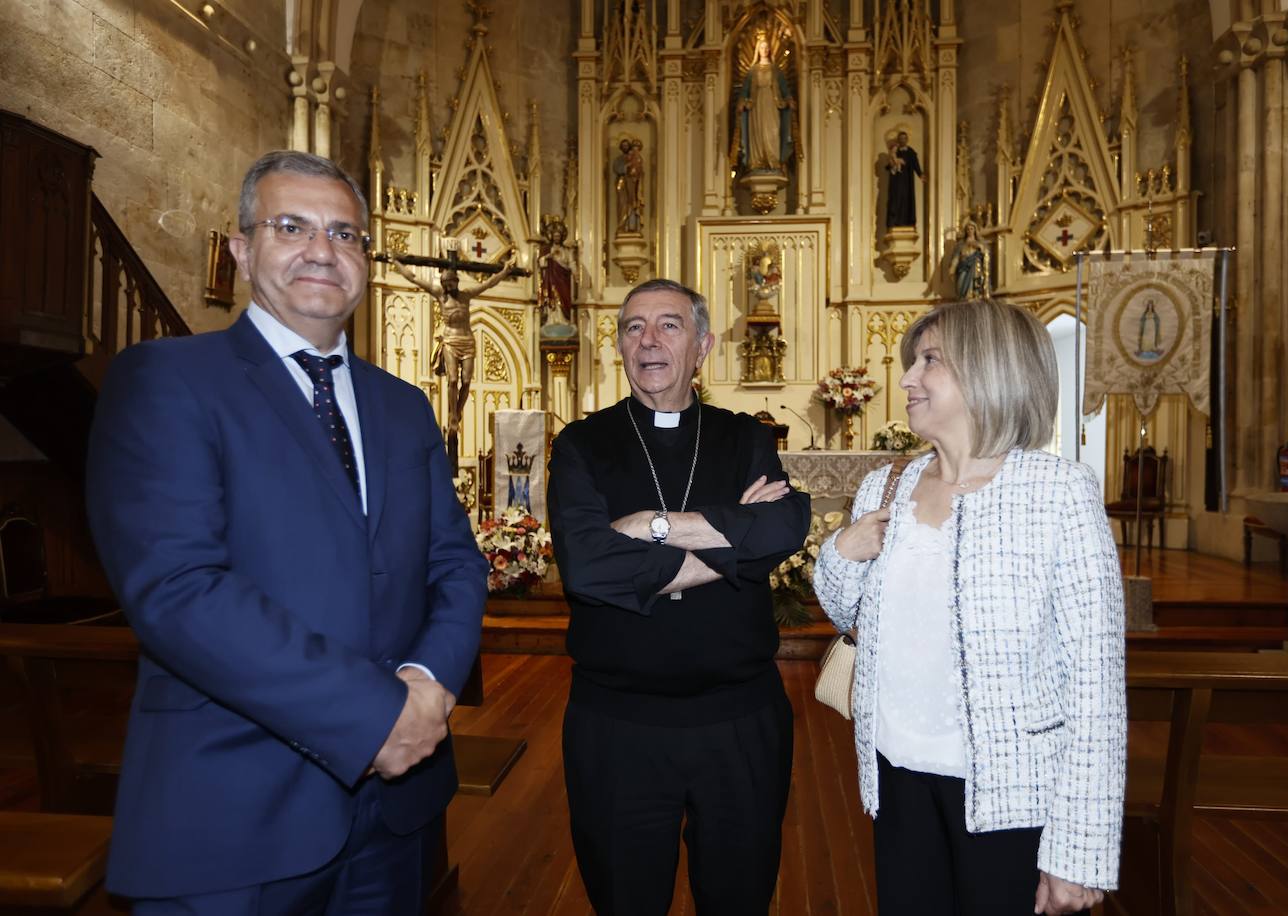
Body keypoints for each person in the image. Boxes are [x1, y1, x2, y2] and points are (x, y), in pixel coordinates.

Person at [86, 150, 489, 915]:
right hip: (235, 810)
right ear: (241, 249)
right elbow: (178, 590)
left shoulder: (403, 405)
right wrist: (377, 717)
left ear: (365, 259)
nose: (321, 251)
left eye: (344, 234)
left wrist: (430, 688)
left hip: (400, 811)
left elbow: (455, 564)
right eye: (291, 226)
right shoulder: (167, 380)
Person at [813, 299, 1125, 916]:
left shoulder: (1057, 493)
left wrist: (1079, 851)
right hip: (896, 775)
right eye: (913, 361)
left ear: (990, 371)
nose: (907, 377)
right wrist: (842, 553)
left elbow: (1096, 683)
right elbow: (840, 610)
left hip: (1012, 792)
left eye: (930, 360)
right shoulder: (888, 484)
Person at [547, 278, 810, 915]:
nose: (650, 341)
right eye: (634, 327)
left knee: (739, 899)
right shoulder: (582, 444)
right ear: (618, 346)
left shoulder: (745, 437)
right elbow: (586, 565)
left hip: (739, 720)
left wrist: (649, 527)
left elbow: (783, 525)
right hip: (618, 725)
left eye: (669, 325)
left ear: (703, 346)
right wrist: (734, 550)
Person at [388, 252, 517, 439]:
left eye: (451, 283)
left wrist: (505, 271)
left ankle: (458, 410)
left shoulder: (466, 295)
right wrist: (395, 261)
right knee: (453, 380)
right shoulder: (440, 296)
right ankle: (452, 415)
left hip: (467, 341)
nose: (448, 286)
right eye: (445, 284)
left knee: (466, 381)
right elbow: (414, 278)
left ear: (457, 282)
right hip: (450, 340)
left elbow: (489, 283)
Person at [732, 30, 796, 175]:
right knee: (758, 134)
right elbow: (745, 91)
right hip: (756, 107)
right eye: (762, 47)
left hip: (772, 105)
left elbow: (784, 88)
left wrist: (789, 99)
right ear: (758, 50)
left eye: (766, 47)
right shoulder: (752, 71)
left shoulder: (776, 70)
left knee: (773, 132)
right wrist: (741, 103)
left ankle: (774, 162)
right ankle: (757, 162)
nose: (764, 50)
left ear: (770, 50)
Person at [884, 130, 925, 229]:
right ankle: (895, 222)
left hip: (907, 182)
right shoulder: (895, 151)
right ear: (898, 140)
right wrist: (893, 164)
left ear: (907, 140)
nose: (902, 140)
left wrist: (920, 174)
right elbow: (888, 166)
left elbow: (915, 164)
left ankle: (907, 222)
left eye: (904, 138)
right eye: (901, 139)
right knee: (896, 200)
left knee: (906, 200)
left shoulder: (911, 152)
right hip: (896, 182)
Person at [950, 219, 989, 300]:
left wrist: (979, 247)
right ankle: (963, 298)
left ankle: (974, 297)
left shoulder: (979, 243)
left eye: (971, 228)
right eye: (967, 229)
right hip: (963, 266)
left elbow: (985, 254)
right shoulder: (961, 244)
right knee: (960, 284)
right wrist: (952, 268)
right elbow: (956, 257)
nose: (969, 231)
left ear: (975, 230)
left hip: (974, 266)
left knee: (974, 285)